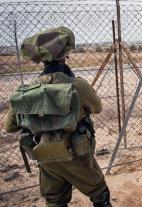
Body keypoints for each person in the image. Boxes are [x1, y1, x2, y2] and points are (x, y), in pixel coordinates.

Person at [4, 27, 112, 207]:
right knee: (100, 194)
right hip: (77, 156)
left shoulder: (26, 92)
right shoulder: (77, 85)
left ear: (41, 61)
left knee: (55, 201)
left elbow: (9, 127)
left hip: (46, 157)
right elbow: (97, 107)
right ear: (65, 56)